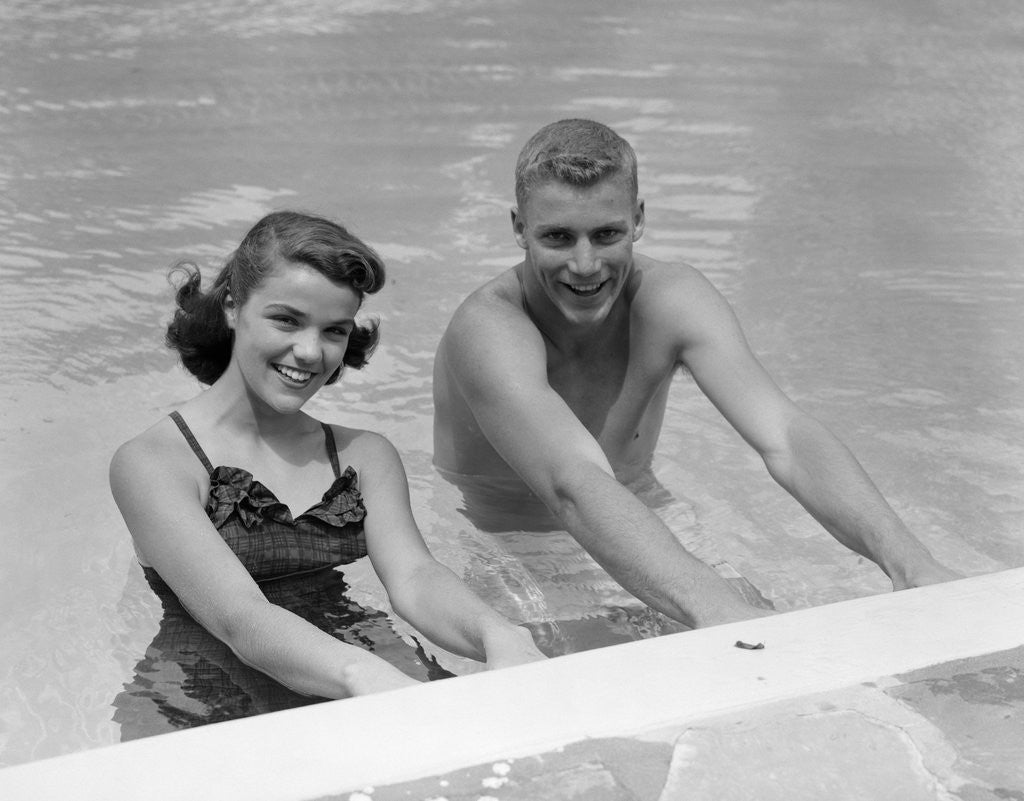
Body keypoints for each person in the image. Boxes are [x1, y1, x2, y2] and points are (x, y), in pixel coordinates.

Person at [433, 119, 959, 630]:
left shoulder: (674, 298)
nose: (586, 264)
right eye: (559, 238)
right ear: (519, 228)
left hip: (649, 519)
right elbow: (571, 483)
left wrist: (910, 562)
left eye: (607, 234)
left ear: (638, 219)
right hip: (517, 545)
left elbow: (787, 438)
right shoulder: (489, 329)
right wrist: (717, 607)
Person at [110, 210, 544, 703]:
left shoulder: (365, 456)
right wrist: (373, 680)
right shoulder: (153, 462)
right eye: (286, 320)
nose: (311, 352)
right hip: (203, 698)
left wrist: (499, 634)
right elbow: (239, 617)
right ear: (232, 306)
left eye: (334, 330)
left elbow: (414, 578)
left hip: (359, 661)